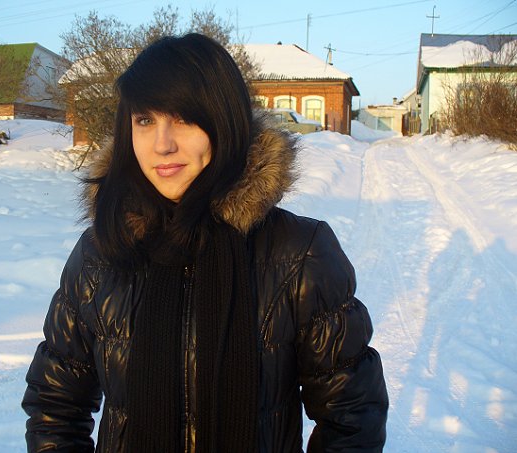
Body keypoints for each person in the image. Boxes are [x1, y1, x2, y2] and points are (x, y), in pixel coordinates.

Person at [22, 33, 388, 453]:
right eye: (145, 121)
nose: (162, 144)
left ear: (223, 122)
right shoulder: (100, 255)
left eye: (183, 119)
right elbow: (55, 408)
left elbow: (352, 418)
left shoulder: (299, 253)